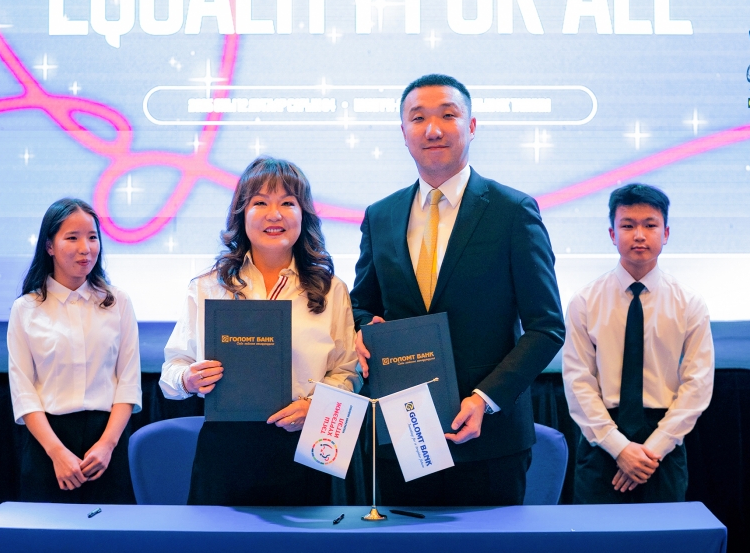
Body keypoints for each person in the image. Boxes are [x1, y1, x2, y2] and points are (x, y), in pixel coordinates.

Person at [351, 74, 565, 507]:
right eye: (418, 118)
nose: (433, 129)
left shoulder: (513, 211)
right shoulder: (381, 215)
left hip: (489, 439)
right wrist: (360, 327)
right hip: (402, 434)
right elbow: (362, 303)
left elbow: (547, 327)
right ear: (403, 132)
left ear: (471, 126)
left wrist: (486, 399)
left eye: (447, 115)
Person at [160, 156, 359, 506]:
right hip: (227, 448)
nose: (274, 215)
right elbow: (171, 372)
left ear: (304, 214)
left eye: (288, 203)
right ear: (241, 213)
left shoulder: (331, 290)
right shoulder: (208, 287)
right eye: (261, 203)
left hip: (304, 446)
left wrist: (315, 406)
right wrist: (188, 379)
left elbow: (346, 373)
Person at [562, 183, 714, 504]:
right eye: (628, 226)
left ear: (666, 233)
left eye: (650, 225)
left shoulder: (689, 303)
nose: (639, 235)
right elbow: (578, 383)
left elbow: (697, 385)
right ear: (612, 234)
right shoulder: (584, 302)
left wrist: (651, 451)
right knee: (597, 533)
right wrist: (620, 448)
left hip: (663, 444)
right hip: (602, 442)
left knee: (664, 534)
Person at [8, 198, 142, 504]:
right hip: (48, 446)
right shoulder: (26, 309)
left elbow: (128, 382)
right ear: (49, 246)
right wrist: (56, 452)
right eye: (72, 238)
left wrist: (107, 445)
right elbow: (23, 391)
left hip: (107, 444)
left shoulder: (118, 302)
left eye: (92, 237)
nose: (86, 248)